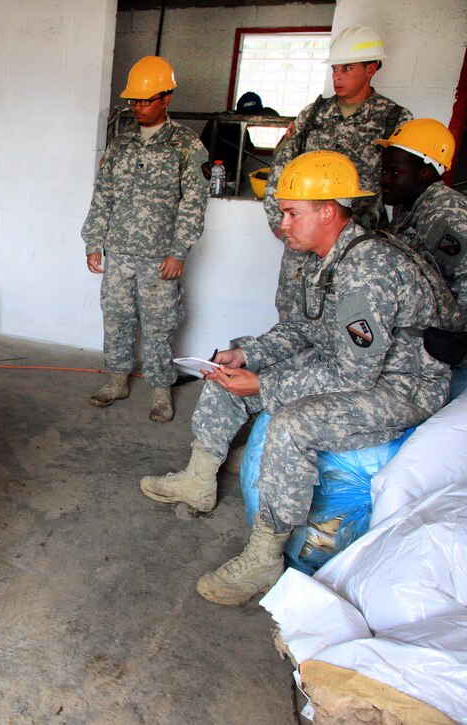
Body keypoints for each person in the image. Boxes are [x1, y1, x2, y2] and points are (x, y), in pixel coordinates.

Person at [139, 151, 453, 606]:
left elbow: (355, 372)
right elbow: (308, 328)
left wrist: (264, 387)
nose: (282, 224)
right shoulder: (327, 256)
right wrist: (247, 354)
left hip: (399, 385)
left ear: (327, 212)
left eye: (291, 213)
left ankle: (265, 558)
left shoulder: (366, 268)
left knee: (291, 425)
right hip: (352, 364)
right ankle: (199, 479)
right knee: (228, 372)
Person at [83, 55, 209, 422]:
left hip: (159, 258)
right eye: (133, 101)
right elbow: (102, 194)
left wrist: (179, 251)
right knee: (117, 319)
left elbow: (194, 204)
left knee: (159, 325)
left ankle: (160, 390)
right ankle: (118, 379)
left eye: (146, 100)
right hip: (119, 253)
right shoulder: (121, 145)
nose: (138, 107)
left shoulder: (186, 146)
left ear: (166, 99)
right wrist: (93, 241)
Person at [264, 25, 412, 321]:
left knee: (348, 317)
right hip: (305, 239)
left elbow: (405, 185)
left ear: (371, 69)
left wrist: (396, 239)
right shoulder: (313, 114)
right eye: (335, 68)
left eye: (347, 68)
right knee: (293, 317)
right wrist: (278, 221)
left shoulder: (394, 118)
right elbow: (281, 167)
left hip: (359, 241)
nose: (338, 76)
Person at [377, 118, 467, 316]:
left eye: (395, 172)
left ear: (424, 174)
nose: (384, 180)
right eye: (384, 171)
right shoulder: (409, 204)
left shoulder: (444, 214)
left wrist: (449, 343)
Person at [199, 91, 262, 185]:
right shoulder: (234, 126)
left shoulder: (223, 118)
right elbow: (245, 151)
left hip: (207, 170)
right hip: (217, 174)